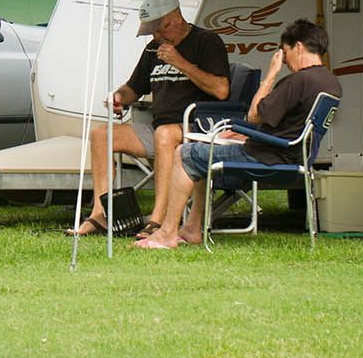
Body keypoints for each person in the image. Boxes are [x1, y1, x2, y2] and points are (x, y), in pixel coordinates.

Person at [136, 17, 342, 249]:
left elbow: (254, 115)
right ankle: (193, 229)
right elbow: (290, 127)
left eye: (285, 52)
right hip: (293, 154)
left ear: (299, 47)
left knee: (184, 154)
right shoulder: (330, 83)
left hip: (268, 157)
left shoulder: (297, 81)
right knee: (203, 152)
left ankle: (167, 233)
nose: (284, 61)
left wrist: (271, 75)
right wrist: (247, 134)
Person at [70, 0, 230, 238]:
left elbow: (221, 90)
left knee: (164, 135)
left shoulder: (207, 42)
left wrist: (181, 63)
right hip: (158, 128)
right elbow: (134, 87)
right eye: (152, 31)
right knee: (102, 135)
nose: (157, 36)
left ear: (176, 17)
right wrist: (119, 97)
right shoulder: (153, 50)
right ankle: (100, 214)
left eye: (161, 29)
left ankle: (158, 220)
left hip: (194, 128)